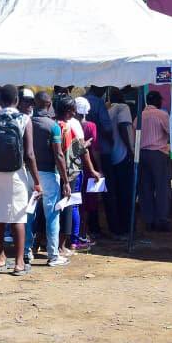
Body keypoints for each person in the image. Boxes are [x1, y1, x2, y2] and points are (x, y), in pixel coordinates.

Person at [0, 85, 42, 276]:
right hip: (17, 173)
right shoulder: (24, 119)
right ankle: (19, 263)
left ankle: (0, 258)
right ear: (17, 100)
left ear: (0, 100)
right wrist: (36, 180)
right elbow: (29, 154)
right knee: (18, 217)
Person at [26, 91, 69, 266]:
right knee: (52, 214)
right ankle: (53, 255)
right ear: (49, 105)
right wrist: (66, 181)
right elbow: (58, 155)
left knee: (28, 213)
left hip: (28, 174)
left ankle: (27, 251)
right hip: (49, 175)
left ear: (35, 104)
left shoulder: (27, 123)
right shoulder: (53, 126)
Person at [56, 95, 100, 257]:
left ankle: (58, 241)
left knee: (60, 205)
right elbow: (83, 150)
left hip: (57, 171)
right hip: (72, 170)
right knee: (72, 205)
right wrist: (94, 170)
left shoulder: (55, 123)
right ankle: (73, 240)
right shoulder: (73, 124)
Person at [138, 90, 172, 232]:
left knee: (145, 189)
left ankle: (149, 220)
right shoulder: (162, 115)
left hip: (142, 154)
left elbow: (135, 132)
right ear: (157, 101)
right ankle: (162, 220)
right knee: (162, 188)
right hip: (158, 154)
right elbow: (170, 132)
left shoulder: (140, 116)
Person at [107, 88, 136, 237]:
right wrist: (131, 150)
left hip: (112, 154)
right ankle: (126, 226)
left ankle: (117, 225)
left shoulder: (110, 109)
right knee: (126, 193)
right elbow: (124, 126)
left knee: (116, 192)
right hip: (123, 154)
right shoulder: (123, 108)